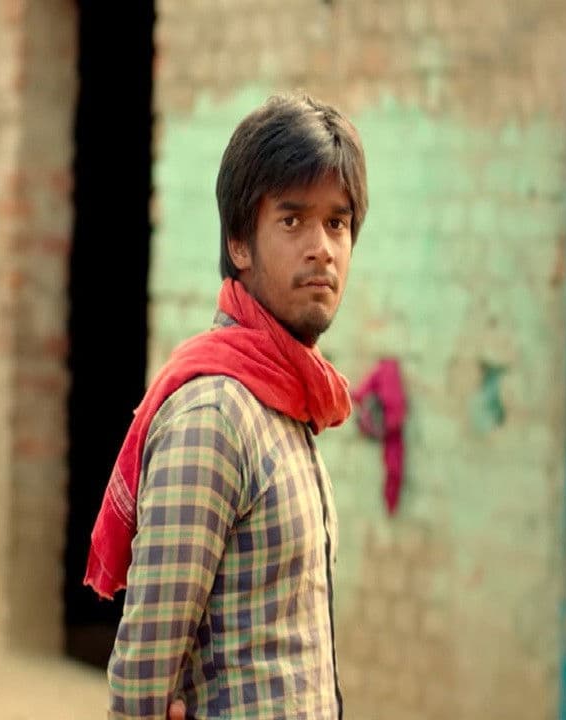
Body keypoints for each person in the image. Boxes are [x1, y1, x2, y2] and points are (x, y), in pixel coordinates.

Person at [84, 91, 369, 720]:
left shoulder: (287, 402)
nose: (322, 247)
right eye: (292, 221)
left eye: (337, 223)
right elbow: (141, 679)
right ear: (240, 242)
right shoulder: (216, 416)